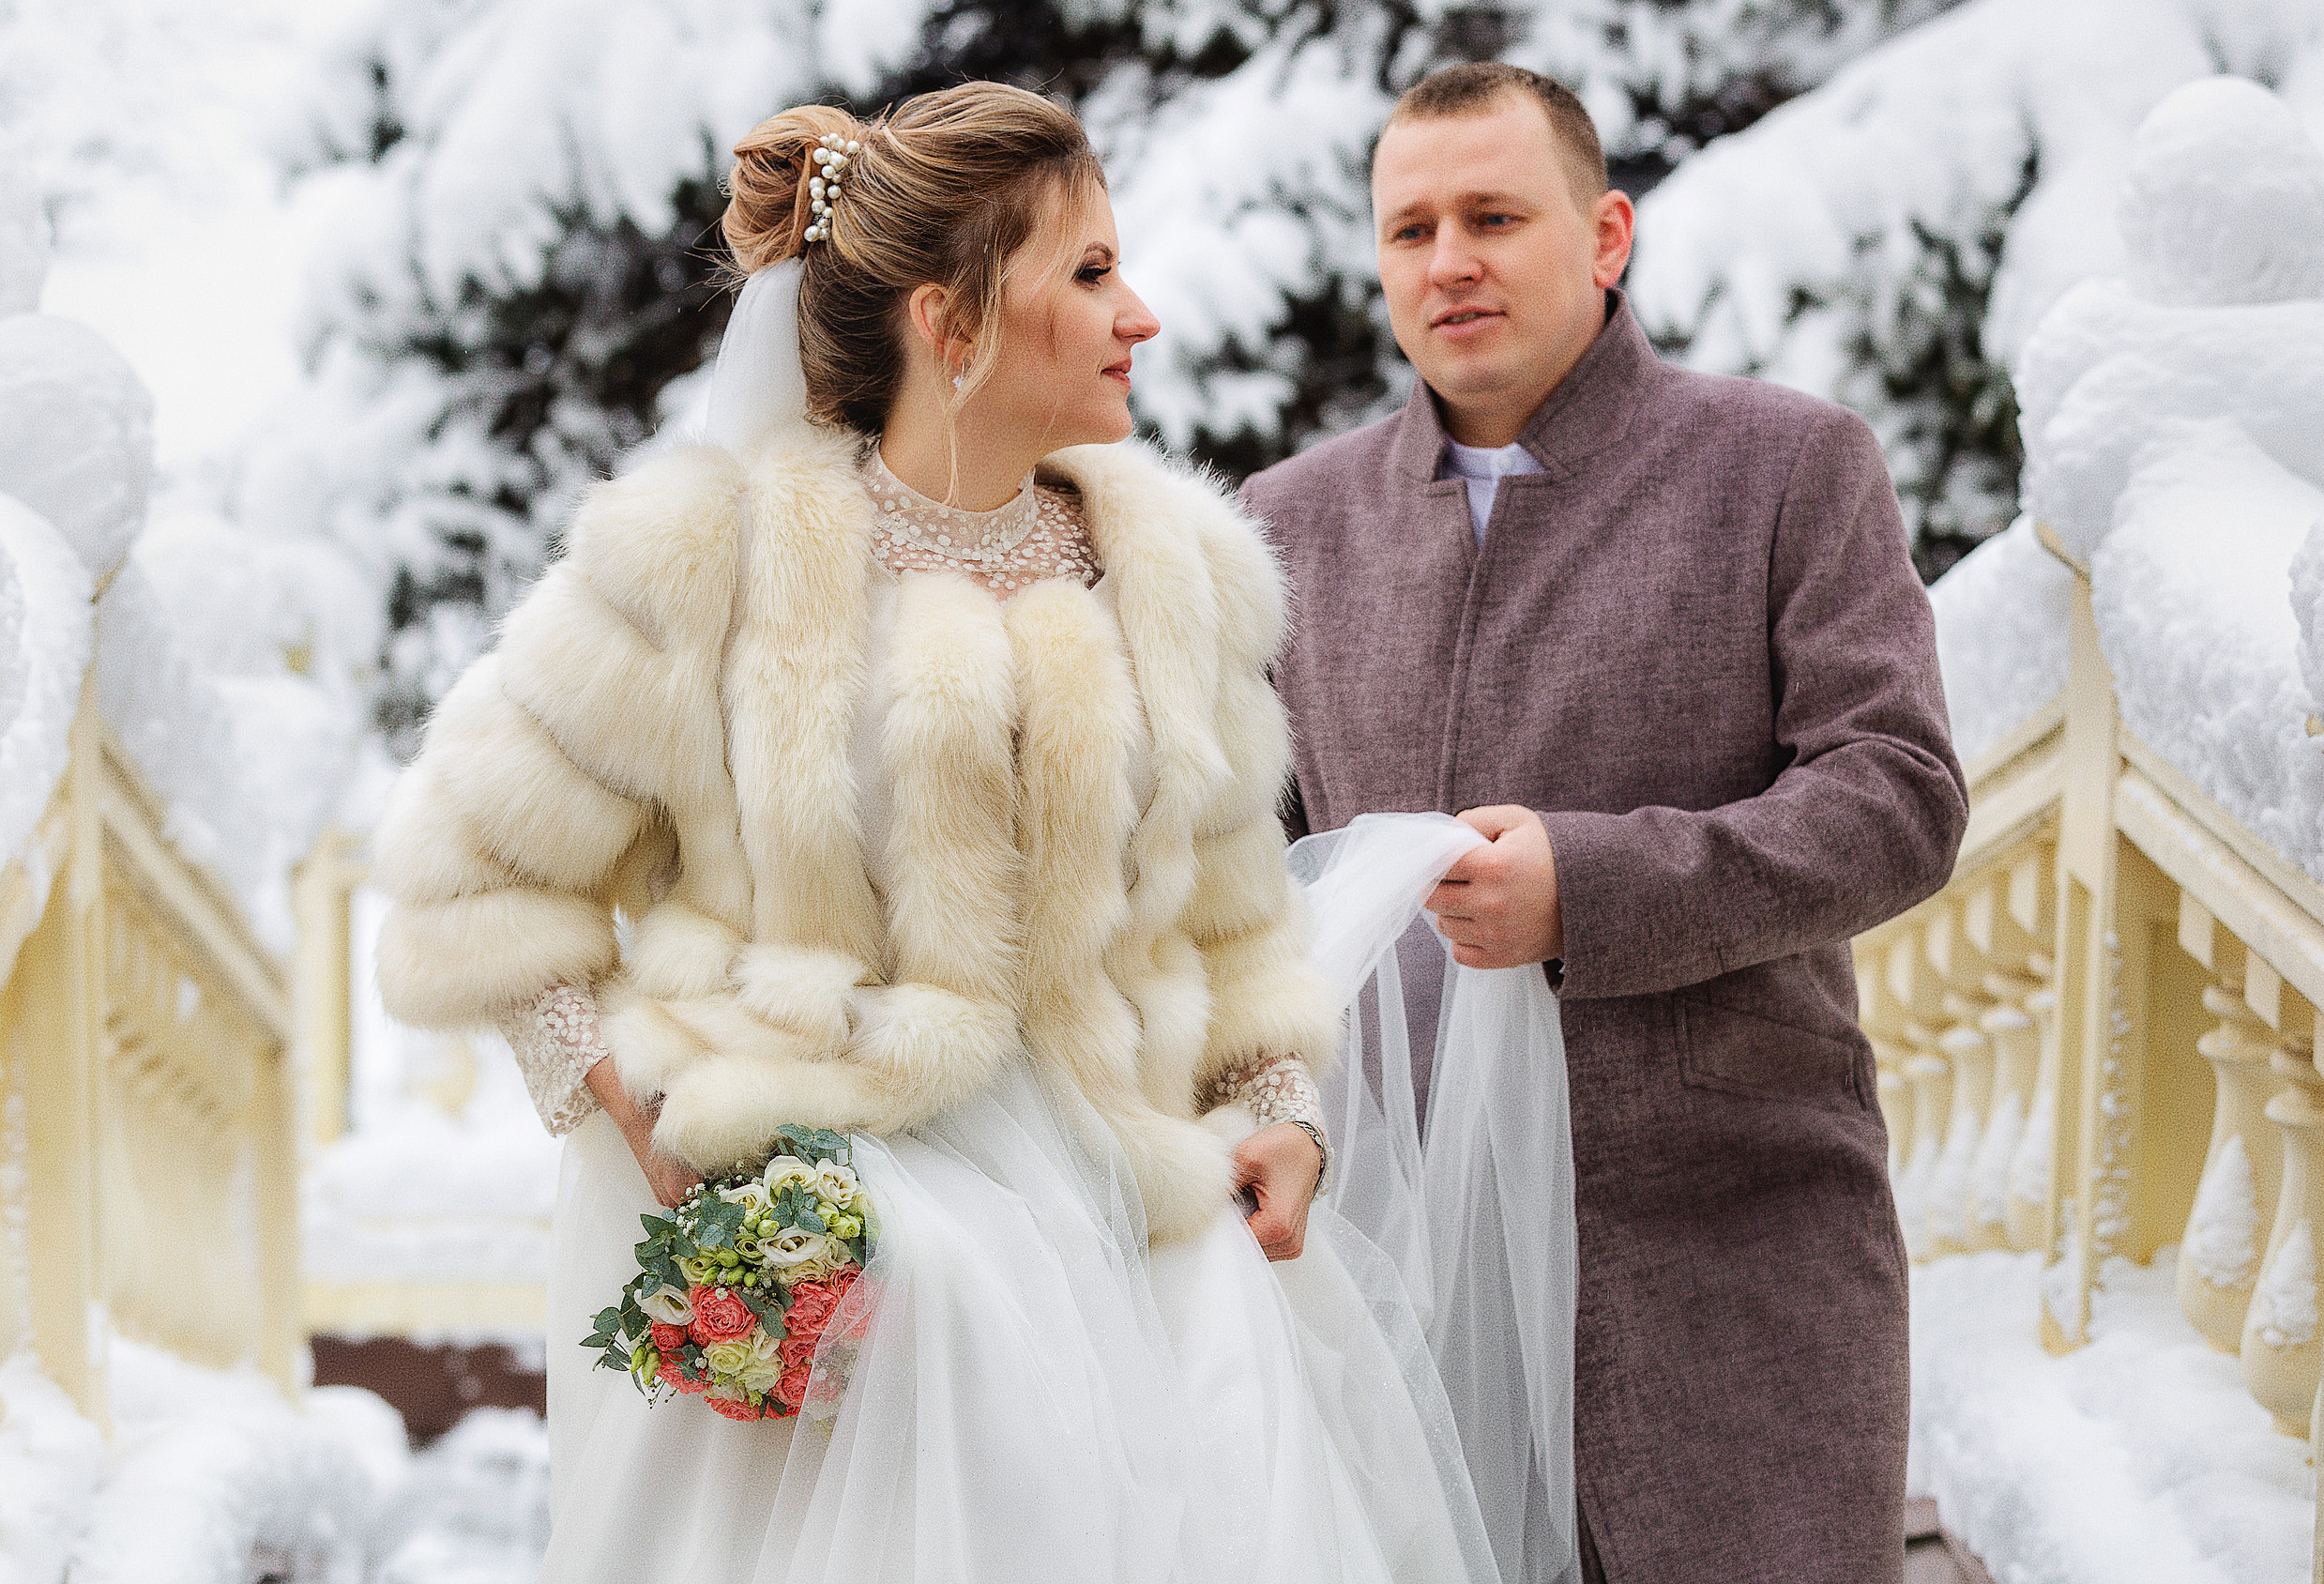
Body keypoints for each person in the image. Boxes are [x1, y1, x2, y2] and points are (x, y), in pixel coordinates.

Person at [372, 81, 1499, 1584]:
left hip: (1137, 1216)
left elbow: (1233, 925)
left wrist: (1284, 1111)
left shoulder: (1179, 574)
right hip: (845, 1234)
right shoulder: (706, 556)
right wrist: (661, 1135)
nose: (1142, 315)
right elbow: (469, 882)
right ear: (950, 321)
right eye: (1089, 273)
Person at [1241, 62, 1970, 1584]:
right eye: (1411, 229)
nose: (1450, 262)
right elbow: (1240, 879)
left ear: (1608, 235)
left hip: (1732, 1242)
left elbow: (1897, 790)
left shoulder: (1787, 464)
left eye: (1494, 217)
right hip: (1400, 1272)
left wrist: (1597, 887)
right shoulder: (1286, 523)